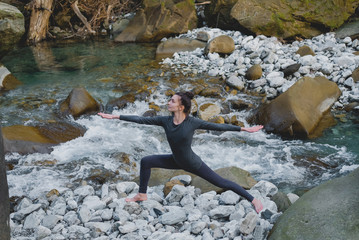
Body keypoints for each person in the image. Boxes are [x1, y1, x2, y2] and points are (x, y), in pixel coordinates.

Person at [98, 91, 264, 213]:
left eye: (172, 101)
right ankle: (142, 194)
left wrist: (244, 129)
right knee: (146, 161)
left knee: (222, 182)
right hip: (176, 160)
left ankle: (254, 200)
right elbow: (142, 119)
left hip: (192, 163)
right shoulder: (165, 120)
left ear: (181, 106)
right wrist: (115, 117)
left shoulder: (193, 122)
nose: (168, 103)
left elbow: (219, 126)